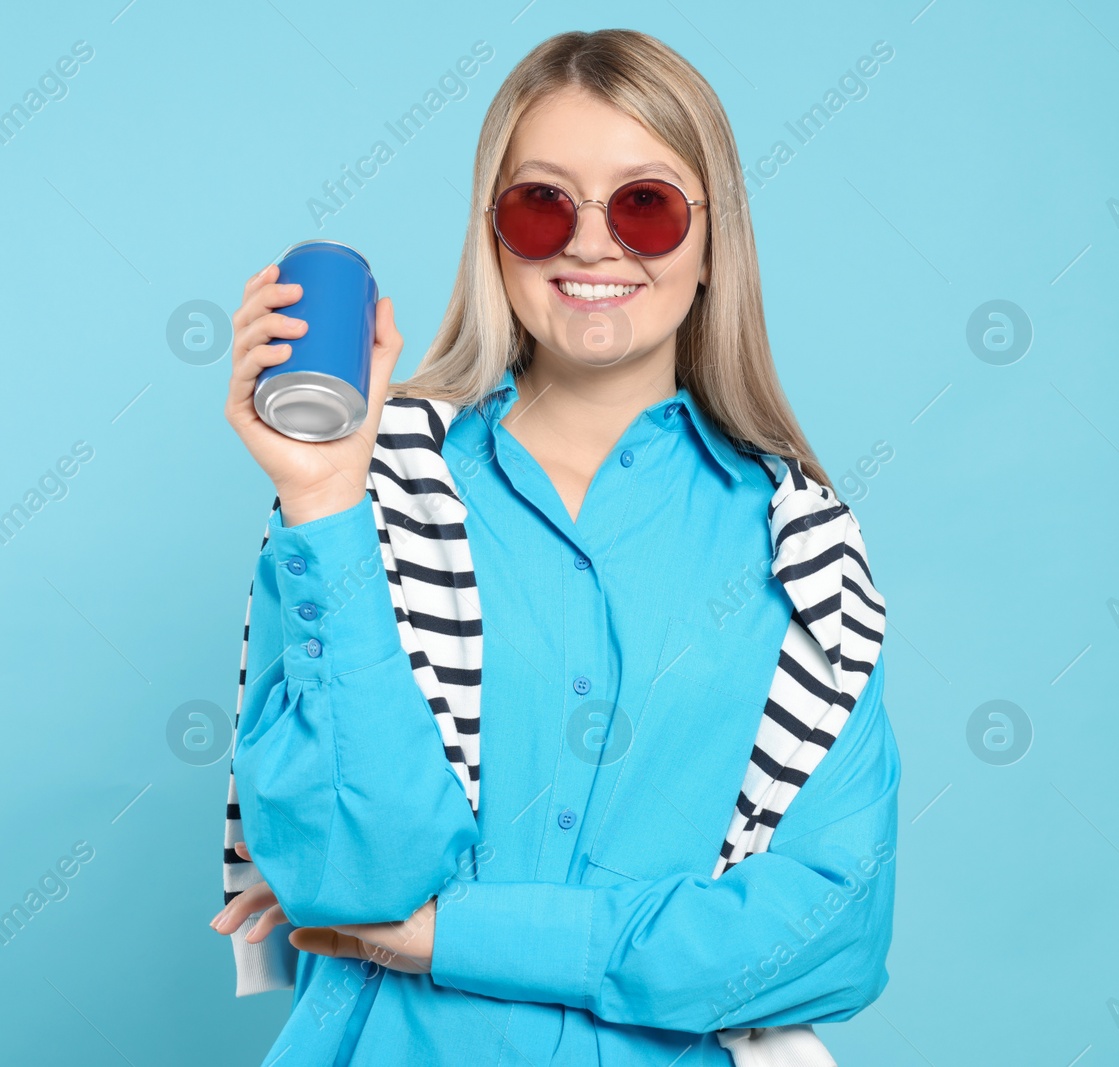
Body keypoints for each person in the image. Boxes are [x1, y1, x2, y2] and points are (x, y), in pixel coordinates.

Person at [209, 27, 899, 1067]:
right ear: (494, 238)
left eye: (645, 205)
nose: (590, 244)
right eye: (543, 205)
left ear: (712, 244)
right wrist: (322, 495)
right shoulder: (369, 488)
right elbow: (352, 878)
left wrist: (451, 937)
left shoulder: (801, 546)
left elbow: (828, 934)